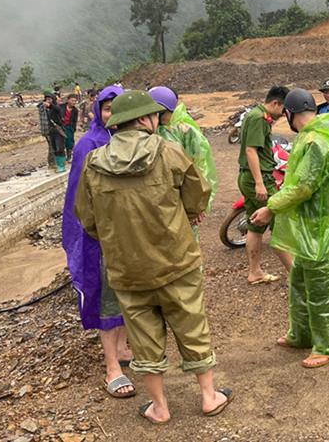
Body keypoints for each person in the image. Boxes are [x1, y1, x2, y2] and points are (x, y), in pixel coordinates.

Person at [75, 90, 230, 424]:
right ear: (145, 119)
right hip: (176, 261)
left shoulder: (94, 162)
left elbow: (86, 220)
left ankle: (159, 407)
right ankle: (208, 396)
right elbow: (197, 196)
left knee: (143, 338)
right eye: (156, 116)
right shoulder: (169, 152)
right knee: (192, 325)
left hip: (127, 269)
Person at [250, 89, 329, 368]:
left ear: (289, 114)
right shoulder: (312, 137)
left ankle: (328, 345)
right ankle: (302, 333)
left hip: (322, 232)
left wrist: (271, 207)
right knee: (299, 281)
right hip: (311, 230)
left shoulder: (315, 142)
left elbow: (303, 187)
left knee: (321, 290)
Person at [60, 85, 135, 399]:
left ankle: (122, 346)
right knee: (107, 295)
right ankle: (111, 367)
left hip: (132, 233)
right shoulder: (88, 145)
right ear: (98, 110)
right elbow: (79, 196)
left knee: (130, 294)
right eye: (107, 108)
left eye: (119, 108)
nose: (113, 115)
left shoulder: (138, 142)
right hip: (101, 236)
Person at [237, 86, 293, 284]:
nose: (285, 114)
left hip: (249, 177)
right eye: (284, 109)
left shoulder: (257, 116)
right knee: (278, 225)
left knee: (255, 225)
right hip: (257, 179)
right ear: (276, 103)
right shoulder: (259, 119)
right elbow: (251, 151)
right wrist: (260, 183)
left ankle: (255, 272)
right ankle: (297, 276)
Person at [149, 86, 218, 242]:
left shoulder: (186, 131)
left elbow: (201, 168)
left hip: (182, 194)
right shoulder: (149, 129)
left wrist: (198, 206)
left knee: (185, 243)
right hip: (158, 197)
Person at [42, 90, 67, 172]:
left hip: (58, 130)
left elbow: (56, 108)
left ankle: (61, 166)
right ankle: (58, 164)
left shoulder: (57, 107)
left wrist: (50, 105)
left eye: (50, 99)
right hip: (51, 131)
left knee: (60, 147)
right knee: (55, 148)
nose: (48, 101)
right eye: (46, 99)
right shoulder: (47, 110)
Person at [61, 94, 80, 162]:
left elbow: (74, 121)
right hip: (61, 127)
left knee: (70, 142)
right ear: (68, 100)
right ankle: (62, 157)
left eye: (75, 101)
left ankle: (69, 156)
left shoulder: (75, 110)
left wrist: (73, 129)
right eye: (72, 100)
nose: (74, 102)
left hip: (69, 127)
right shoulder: (61, 107)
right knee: (61, 142)